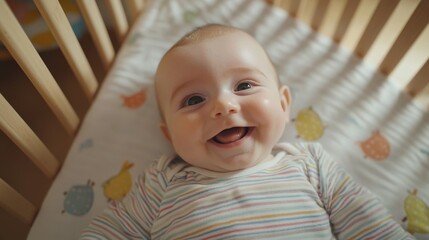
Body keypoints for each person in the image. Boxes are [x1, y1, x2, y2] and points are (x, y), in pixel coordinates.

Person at [81, 24, 413, 239]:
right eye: (194, 99)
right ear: (169, 136)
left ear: (284, 105)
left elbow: (367, 220)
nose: (224, 106)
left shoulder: (308, 163)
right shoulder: (163, 181)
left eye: (244, 85)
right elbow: (114, 232)